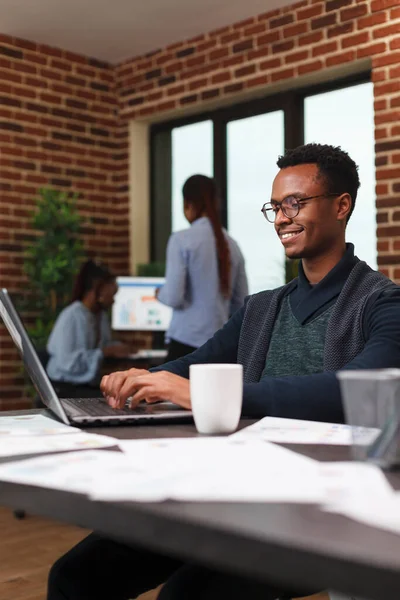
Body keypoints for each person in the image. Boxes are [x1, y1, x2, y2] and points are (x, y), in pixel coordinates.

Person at [47, 144, 400, 600]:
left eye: (295, 203)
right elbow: (194, 364)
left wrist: (216, 399)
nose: (281, 218)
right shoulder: (261, 308)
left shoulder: (384, 303)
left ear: (342, 205)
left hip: (314, 509)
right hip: (229, 489)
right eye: (275, 207)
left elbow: (360, 388)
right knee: (76, 575)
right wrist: (141, 377)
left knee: (187, 596)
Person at [157, 174, 248, 361]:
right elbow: (240, 304)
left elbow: (174, 296)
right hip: (220, 346)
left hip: (185, 345)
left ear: (188, 204)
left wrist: (159, 294)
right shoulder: (233, 245)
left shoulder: (181, 240)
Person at [46, 260, 130, 393]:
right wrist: (104, 352)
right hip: (64, 387)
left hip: (86, 385)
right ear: (99, 290)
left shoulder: (100, 316)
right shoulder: (72, 316)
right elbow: (67, 362)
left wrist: (117, 348)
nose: (113, 301)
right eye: (112, 295)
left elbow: (103, 345)